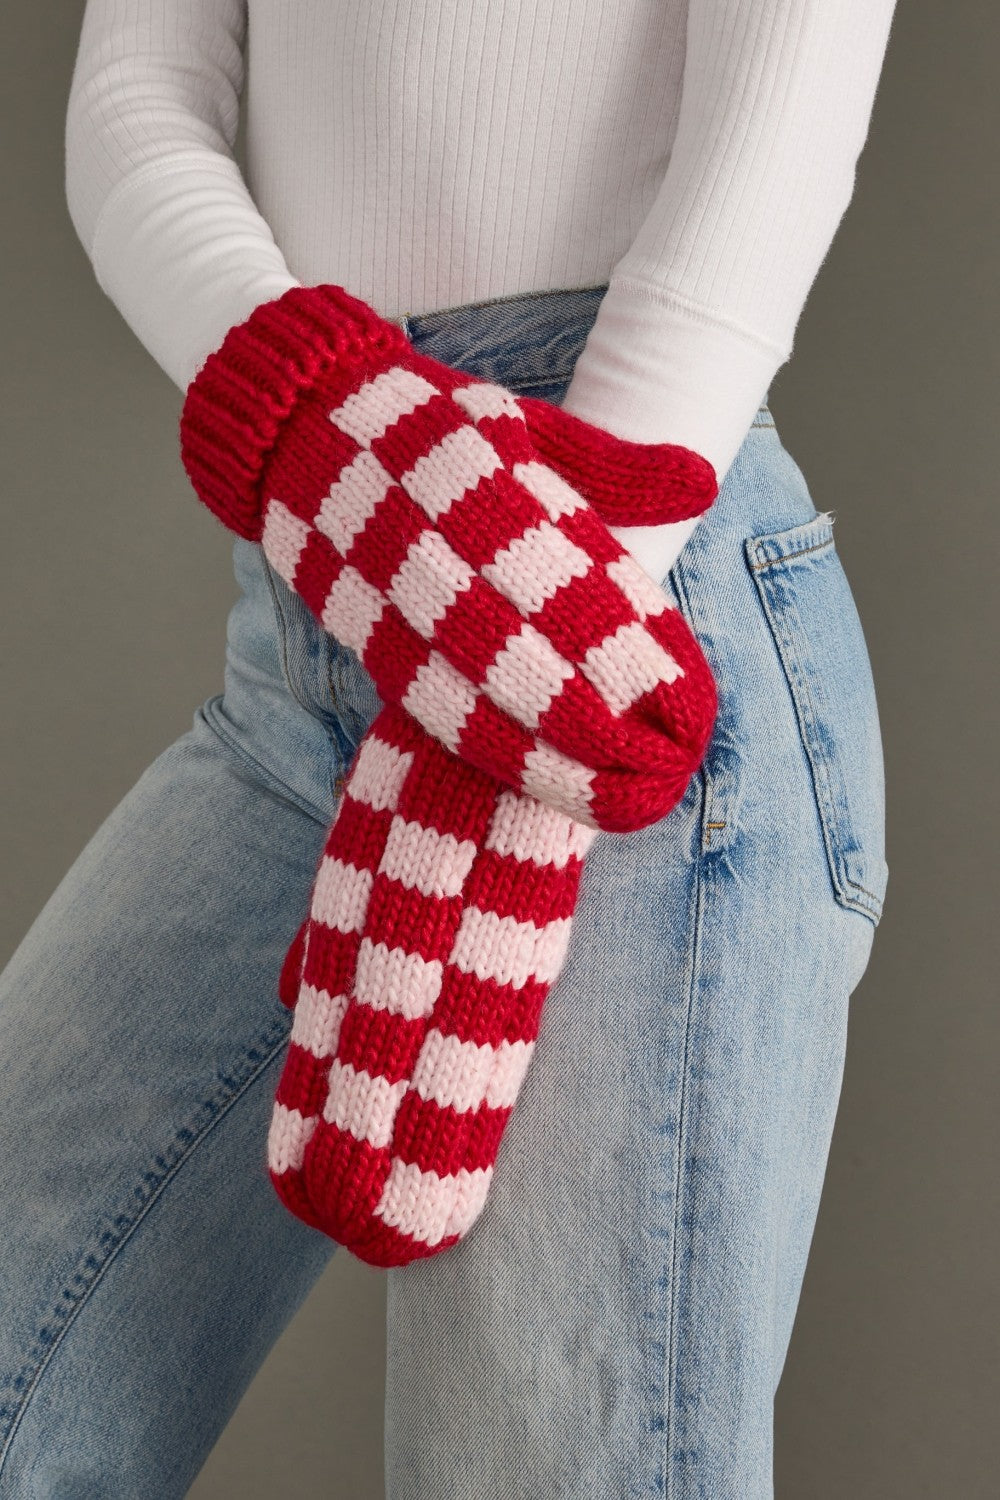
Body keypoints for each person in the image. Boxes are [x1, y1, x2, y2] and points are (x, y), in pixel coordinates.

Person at [0, 0, 896, 1495]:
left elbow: (779, 133)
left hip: (622, 619)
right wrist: (323, 426)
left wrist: (526, 628)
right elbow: (133, 102)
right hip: (320, 586)